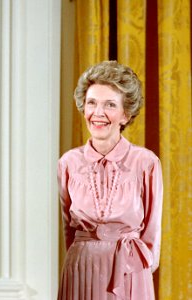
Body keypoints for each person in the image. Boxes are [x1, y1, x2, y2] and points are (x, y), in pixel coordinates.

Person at [57, 60, 163, 299]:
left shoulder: (146, 162)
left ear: (125, 115)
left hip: (129, 269)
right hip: (80, 269)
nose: (98, 113)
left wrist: (139, 273)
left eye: (110, 105)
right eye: (92, 103)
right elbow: (68, 231)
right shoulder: (68, 162)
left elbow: (152, 233)